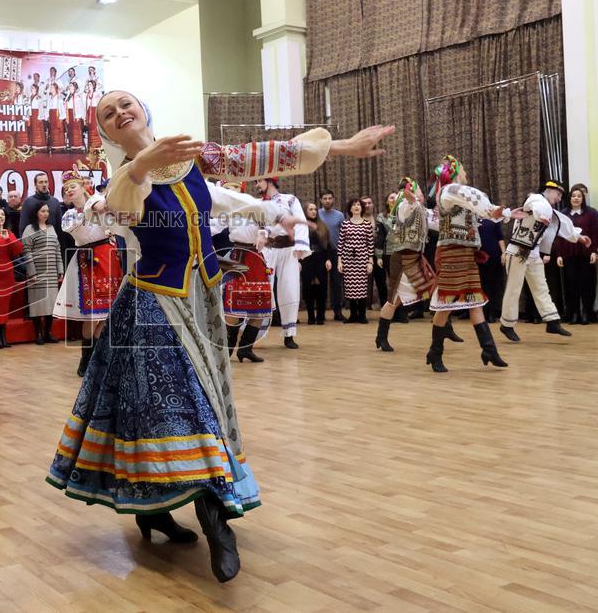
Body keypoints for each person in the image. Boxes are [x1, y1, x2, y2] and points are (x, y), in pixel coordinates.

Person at [47, 88, 393, 583]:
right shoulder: (122, 178)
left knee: (191, 403)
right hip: (151, 307)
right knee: (184, 405)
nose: (121, 112)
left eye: (127, 103)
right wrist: (141, 162)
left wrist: (340, 147)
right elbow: (123, 209)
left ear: (145, 109)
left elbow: (256, 157)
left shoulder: (191, 155)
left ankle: (155, 509)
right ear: (105, 132)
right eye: (108, 113)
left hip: (201, 301)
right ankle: (216, 522)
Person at [425, 155, 509, 373]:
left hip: (466, 253)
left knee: (475, 301)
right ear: (453, 173)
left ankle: (489, 349)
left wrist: (502, 214)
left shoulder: (459, 195)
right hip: (451, 253)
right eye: (462, 169)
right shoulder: (449, 191)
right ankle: (435, 352)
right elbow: (474, 197)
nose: (465, 173)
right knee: (446, 304)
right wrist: (492, 209)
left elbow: (479, 208)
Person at [499, 180, 591, 342]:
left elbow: (563, 225)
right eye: (558, 194)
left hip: (533, 253)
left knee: (541, 287)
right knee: (514, 288)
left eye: (561, 195)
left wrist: (579, 238)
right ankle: (507, 324)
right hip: (518, 250)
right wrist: (540, 215)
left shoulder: (551, 211)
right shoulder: (535, 199)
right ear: (548, 190)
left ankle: (552, 320)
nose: (559, 198)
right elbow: (537, 208)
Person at [54, 169, 123, 375]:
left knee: (104, 314)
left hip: (108, 256)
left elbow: (111, 219)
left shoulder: (96, 201)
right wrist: (95, 207)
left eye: (73, 186)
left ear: (83, 186)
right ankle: (86, 360)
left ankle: (98, 360)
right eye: (66, 189)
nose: (69, 191)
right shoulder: (69, 214)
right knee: (90, 314)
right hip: (87, 259)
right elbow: (74, 227)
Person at [374, 179, 437, 352]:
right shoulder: (404, 206)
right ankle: (381, 336)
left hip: (415, 257)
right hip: (402, 259)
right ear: (410, 193)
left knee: (434, 289)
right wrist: (409, 198)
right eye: (419, 192)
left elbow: (435, 223)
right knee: (394, 300)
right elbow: (409, 207)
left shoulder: (420, 209)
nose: (422, 196)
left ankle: (444, 329)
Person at [221, 183, 272, 362]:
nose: (230, 189)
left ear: (241, 189)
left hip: (256, 258)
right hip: (238, 257)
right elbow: (211, 226)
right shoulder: (225, 209)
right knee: (234, 306)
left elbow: (270, 222)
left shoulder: (254, 205)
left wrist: (263, 233)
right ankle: (227, 351)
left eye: (234, 186)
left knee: (260, 306)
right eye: (227, 187)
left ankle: (245, 349)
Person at [259, 178, 309, 349]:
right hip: (268, 249)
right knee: (263, 288)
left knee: (290, 288)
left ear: (270, 182)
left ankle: (289, 334)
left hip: (288, 249)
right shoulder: (258, 203)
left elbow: (300, 221)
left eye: (260, 181)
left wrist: (300, 247)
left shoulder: (290, 199)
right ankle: (255, 332)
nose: (257, 185)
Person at [22, 199, 64, 345]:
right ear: (36, 213)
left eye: (47, 211)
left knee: (51, 304)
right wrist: (31, 272)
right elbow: (26, 251)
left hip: (52, 272)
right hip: (37, 273)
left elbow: (57, 249)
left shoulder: (52, 228)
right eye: (42, 211)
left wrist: (60, 270)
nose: (46, 214)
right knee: (37, 304)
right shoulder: (29, 229)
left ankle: (48, 333)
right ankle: (38, 334)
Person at [554, 185, 598, 324]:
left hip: (586, 255)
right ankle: (573, 313)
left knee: (587, 285)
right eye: (573, 196)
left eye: (579, 196)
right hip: (568, 255)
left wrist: (594, 251)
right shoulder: (564, 213)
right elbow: (559, 235)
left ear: (583, 198)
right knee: (570, 285)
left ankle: (586, 313)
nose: (576, 198)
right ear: (570, 198)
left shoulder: (592, 213)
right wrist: (559, 254)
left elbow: (595, 234)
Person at [0, 206, 24, 348]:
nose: (1, 217)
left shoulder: (8, 233)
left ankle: (4, 338)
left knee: (5, 307)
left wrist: (8, 240)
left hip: (7, 273)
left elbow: (18, 250)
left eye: (2, 214)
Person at [338, 198, 374, 324]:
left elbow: (370, 244)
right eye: (354, 205)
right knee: (350, 288)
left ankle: (362, 315)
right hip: (348, 260)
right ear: (350, 209)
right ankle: (353, 315)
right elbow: (340, 244)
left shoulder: (367, 224)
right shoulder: (345, 224)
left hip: (362, 260)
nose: (356, 207)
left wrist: (370, 262)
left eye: (359, 204)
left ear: (362, 208)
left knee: (362, 288)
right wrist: (339, 261)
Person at [301, 202, 332, 325]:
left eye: (315, 209)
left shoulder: (323, 226)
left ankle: (320, 316)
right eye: (310, 209)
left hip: (321, 258)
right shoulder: (301, 226)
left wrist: (329, 259)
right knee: (308, 288)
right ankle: (310, 316)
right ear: (305, 211)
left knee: (321, 288)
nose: (313, 211)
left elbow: (328, 245)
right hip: (307, 259)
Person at [318, 190, 345, 321]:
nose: (327, 200)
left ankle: (337, 311)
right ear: (321, 200)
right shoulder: (316, 214)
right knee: (321, 284)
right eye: (325, 198)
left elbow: (344, 234)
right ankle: (321, 313)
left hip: (336, 253)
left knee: (336, 283)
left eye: (329, 198)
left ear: (333, 199)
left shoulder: (340, 215)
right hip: (320, 253)